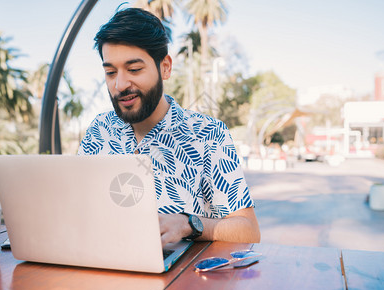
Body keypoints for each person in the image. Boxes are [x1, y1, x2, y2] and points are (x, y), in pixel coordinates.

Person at [78, 8, 260, 247]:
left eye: (134, 69)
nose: (120, 84)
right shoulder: (99, 130)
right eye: (110, 72)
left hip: (179, 281)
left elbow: (249, 231)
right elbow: (77, 208)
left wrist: (188, 224)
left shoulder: (208, 134)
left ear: (165, 67)